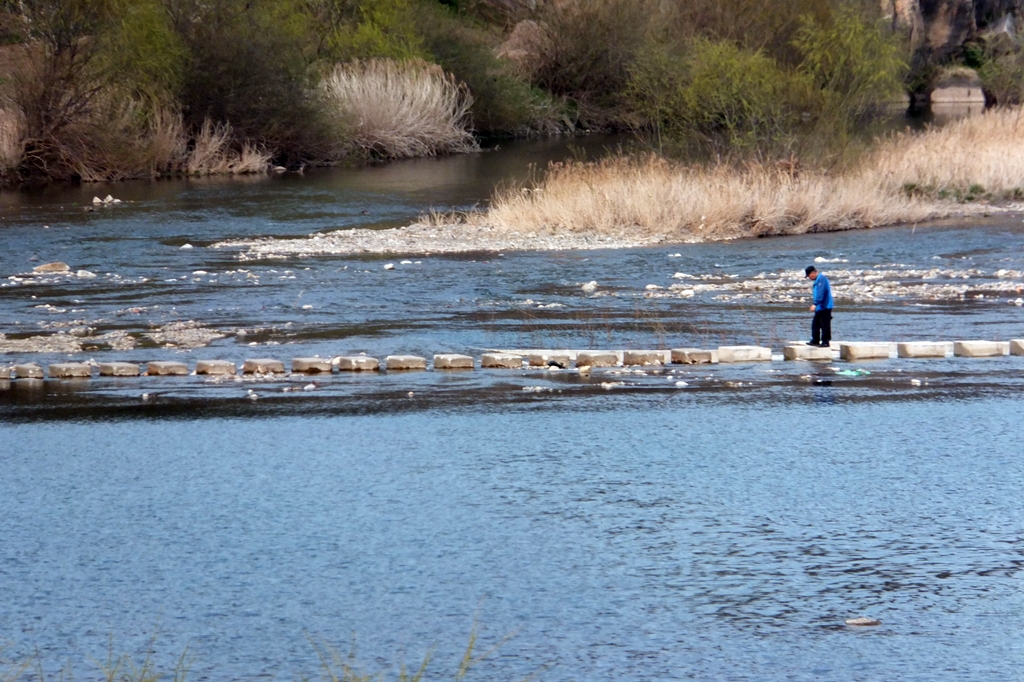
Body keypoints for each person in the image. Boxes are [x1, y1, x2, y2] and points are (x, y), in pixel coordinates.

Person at [805, 265, 833, 347]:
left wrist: (815, 304)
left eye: (809, 275)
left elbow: (821, 293)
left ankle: (825, 342)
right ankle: (815, 340)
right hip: (820, 307)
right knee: (815, 324)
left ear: (813, 273)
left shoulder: (821, 279)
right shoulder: (818, 280)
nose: (809, 278)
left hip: (825, 306)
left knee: (825, 325)